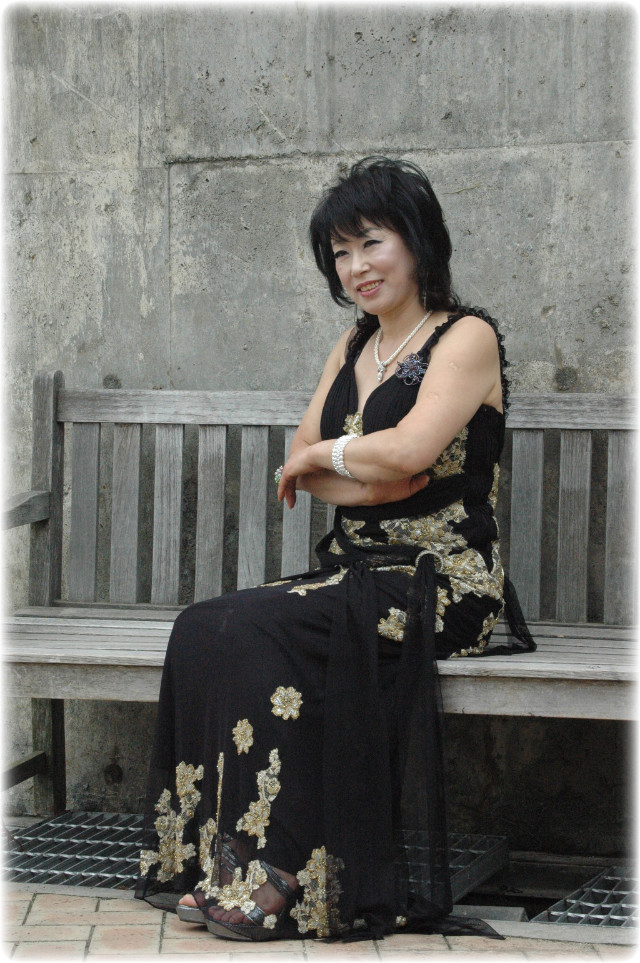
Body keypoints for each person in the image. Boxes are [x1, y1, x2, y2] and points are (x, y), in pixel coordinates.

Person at [135, 156, 534, 943]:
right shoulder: (353, 343)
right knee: (205, 624)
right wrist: (363, 472)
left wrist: (335, 459)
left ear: (417, 240)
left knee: (263, 627)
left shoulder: (465, 336)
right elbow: (315, 465)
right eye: (341, 253)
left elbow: (406, 451)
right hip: (352, 575)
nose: (356, 267)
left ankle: (285, 876)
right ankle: (229, 863)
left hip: (441, 584)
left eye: (371, 243)